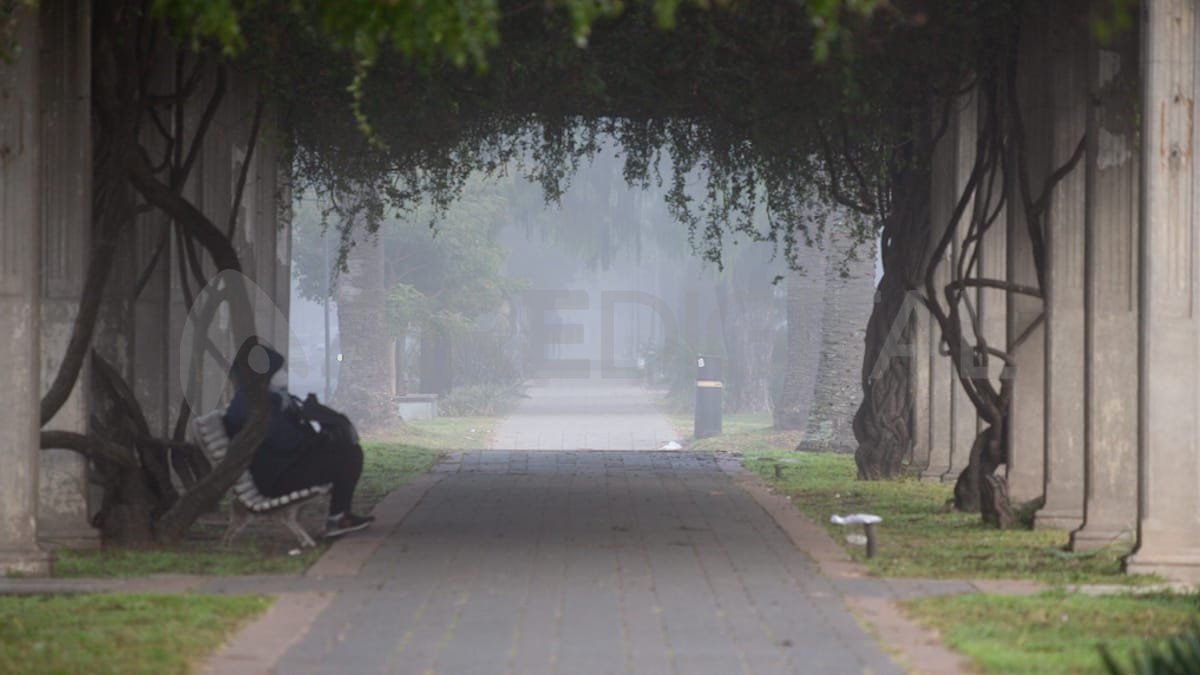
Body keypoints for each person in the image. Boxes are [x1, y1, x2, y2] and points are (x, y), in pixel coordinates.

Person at [223, 343, 374, 537]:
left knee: (346, 451)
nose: (280, 375)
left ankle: (339, 516)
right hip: (277, 478)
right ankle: (338, 519)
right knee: (349, 456)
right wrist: (304, 426)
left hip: (281, 469)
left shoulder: (256, 398)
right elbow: (284, 441)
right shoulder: (252, 403)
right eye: (275, 370)